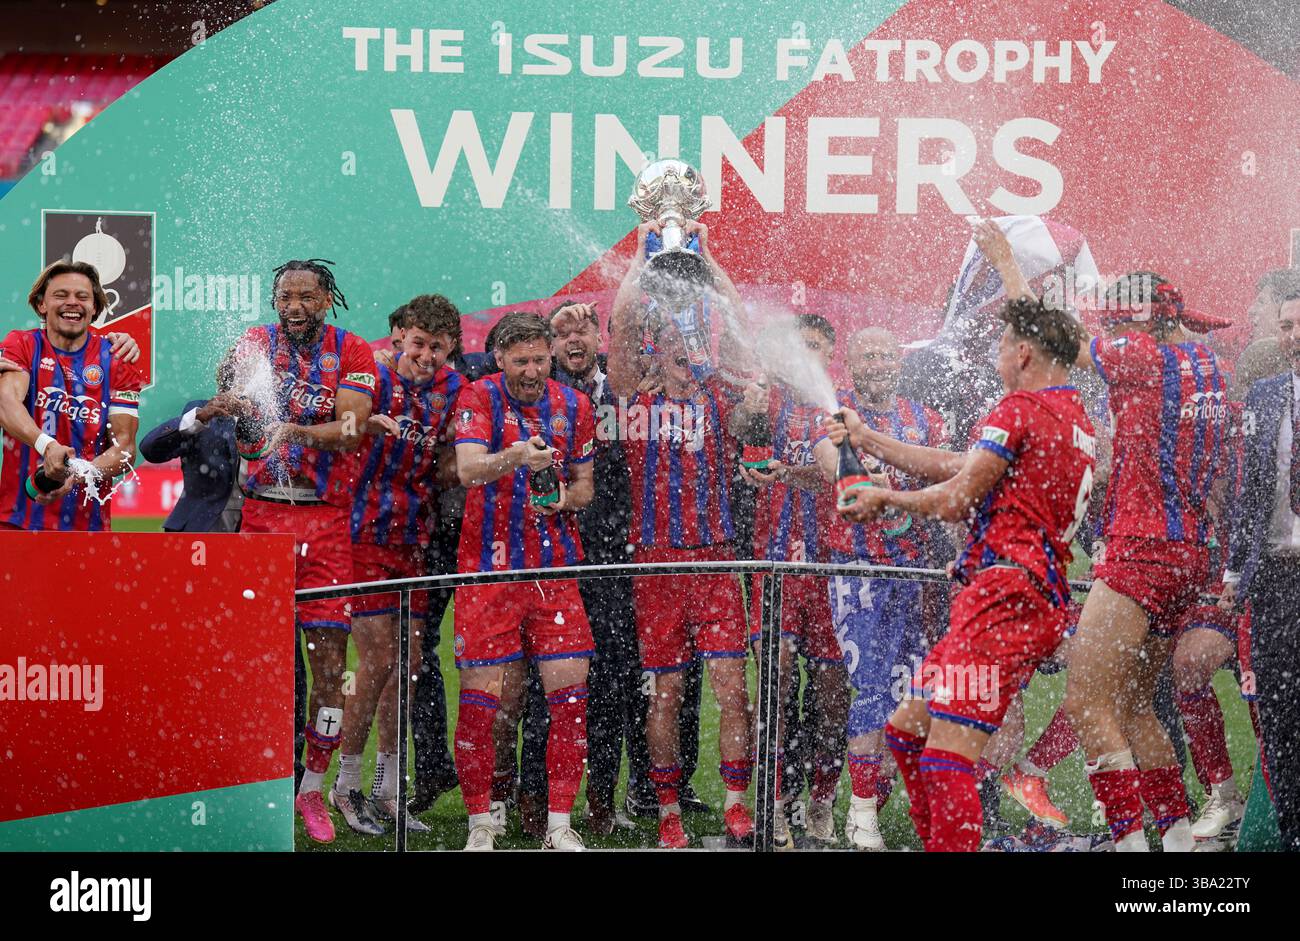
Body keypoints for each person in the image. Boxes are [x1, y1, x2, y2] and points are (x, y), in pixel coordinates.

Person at [834, 295, 1095, 853]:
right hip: (1014, 593)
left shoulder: (1018, 409)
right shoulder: (1068, 411)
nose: (996, 360)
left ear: (1023, 352)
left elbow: (956, 496)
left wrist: (886, 498)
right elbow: (962, 467)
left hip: (1003, 600)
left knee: (946, 756)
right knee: (906, 730)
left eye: (1001, 348)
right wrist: (869, 439)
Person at [1055, 269, 1233, 853]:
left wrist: (1006, 263)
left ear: (1145, 319)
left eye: (1115, 320)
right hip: (1188, 554)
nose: (1109, 331)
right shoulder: (1204, 361)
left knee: (1086, 702)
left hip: (1143, 550)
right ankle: (1177, 849)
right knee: (1134, 705)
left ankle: (1129, 849)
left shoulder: (1144, 355)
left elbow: (1057, 338)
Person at [608, 218, 758, 850]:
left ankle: (734, 805)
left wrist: (706, 257)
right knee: (663, 695)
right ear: (651, 345)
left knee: (733, 693)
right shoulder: (630, 401)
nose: (677, 346)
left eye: (687, 337)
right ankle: (667, 811)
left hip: (716, 562)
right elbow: (616, 338)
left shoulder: (720, 399)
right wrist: (645, 260)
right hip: (656, 566)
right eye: (664, 338)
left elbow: (747, 346)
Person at [228, 258, 377, 844]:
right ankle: (252, 782)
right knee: (255, 662)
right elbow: (240, 404)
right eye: (285, 296)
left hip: (326, 523)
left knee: (330, 666)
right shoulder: (255, 342)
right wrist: (237, 405)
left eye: (307, 296)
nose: (295, 306)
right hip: (262, 517)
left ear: (328, 299)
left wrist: (291, 431)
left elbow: (351, 429)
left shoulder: (354, 351)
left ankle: (313, 788)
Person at [452, 311, 597, 851]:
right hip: (490, 576)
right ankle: (479, 824)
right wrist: (515, 456)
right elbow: (468, 470)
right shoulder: (478, 397)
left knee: (570, 700)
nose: (532, 369)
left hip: (555, 576)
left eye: (540, 358)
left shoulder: (574, 406)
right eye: (521, 360)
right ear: (500, 359)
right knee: (482, 706)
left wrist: (561, 498)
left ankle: (560, 825)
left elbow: (584, 485)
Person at [809, 325, 948, 850]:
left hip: (916, 576)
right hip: (859, 570)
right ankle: (861, 812)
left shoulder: (926, 419)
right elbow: (833, 469)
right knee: (871, 686)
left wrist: (908, 498)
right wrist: (869, 482)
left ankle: (879, 800)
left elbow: (945, 482)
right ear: (851, 362)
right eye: (867, 355)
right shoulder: (835, 413)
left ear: (899, 362)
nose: (878, 364)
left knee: (912, 693)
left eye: (887, 355)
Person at [332, 295, 464, 835]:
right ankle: (343, 784)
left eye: (438, 345)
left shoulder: (454, 390)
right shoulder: (370, 377)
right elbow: (333, 430)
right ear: (396, 336)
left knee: (405, 668)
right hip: (362, 534)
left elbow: (453, 458)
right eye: (418, 342)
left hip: (414, 538)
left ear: (451, 347)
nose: (427, 354)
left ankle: (389, 791)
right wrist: (359, 426)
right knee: (379, 660)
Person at [741, 314, 850, 848]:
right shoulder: (769, 399)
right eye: (799, 347)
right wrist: (750, 406)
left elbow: (836, 473)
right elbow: (741, 432)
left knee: (833, 691)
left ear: (829, 354)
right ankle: (776, 800)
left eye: (816, 348)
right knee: (776, 684)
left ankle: (823, 797)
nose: (807, 356)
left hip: (832, 568)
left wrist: (790, 472)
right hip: (777, 567)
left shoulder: (841, 404)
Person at [1221, 289, 1300, 850]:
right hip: (1274, 575)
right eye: (1286, 325)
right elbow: (1249, 493)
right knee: (1279, 712)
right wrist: (1232, 572)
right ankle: (1294, 830)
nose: (1292, 335)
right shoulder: (1268, 395)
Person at [0, 260, 144, 532]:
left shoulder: (117, 360)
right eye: (61, 295)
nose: (72, 303)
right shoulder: (22, 345)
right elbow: (5, 403)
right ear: (42, 305)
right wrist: (48, 446)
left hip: (87, 528)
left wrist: (78, 473)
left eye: (82, 297)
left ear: (95, 308)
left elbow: (125, 449)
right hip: (17, 522)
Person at [139, 349, 244, 533]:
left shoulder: (271, 420)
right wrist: (198, 418)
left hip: (254, 530)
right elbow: (150, 449)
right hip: (199, 525)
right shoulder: (202, 411)